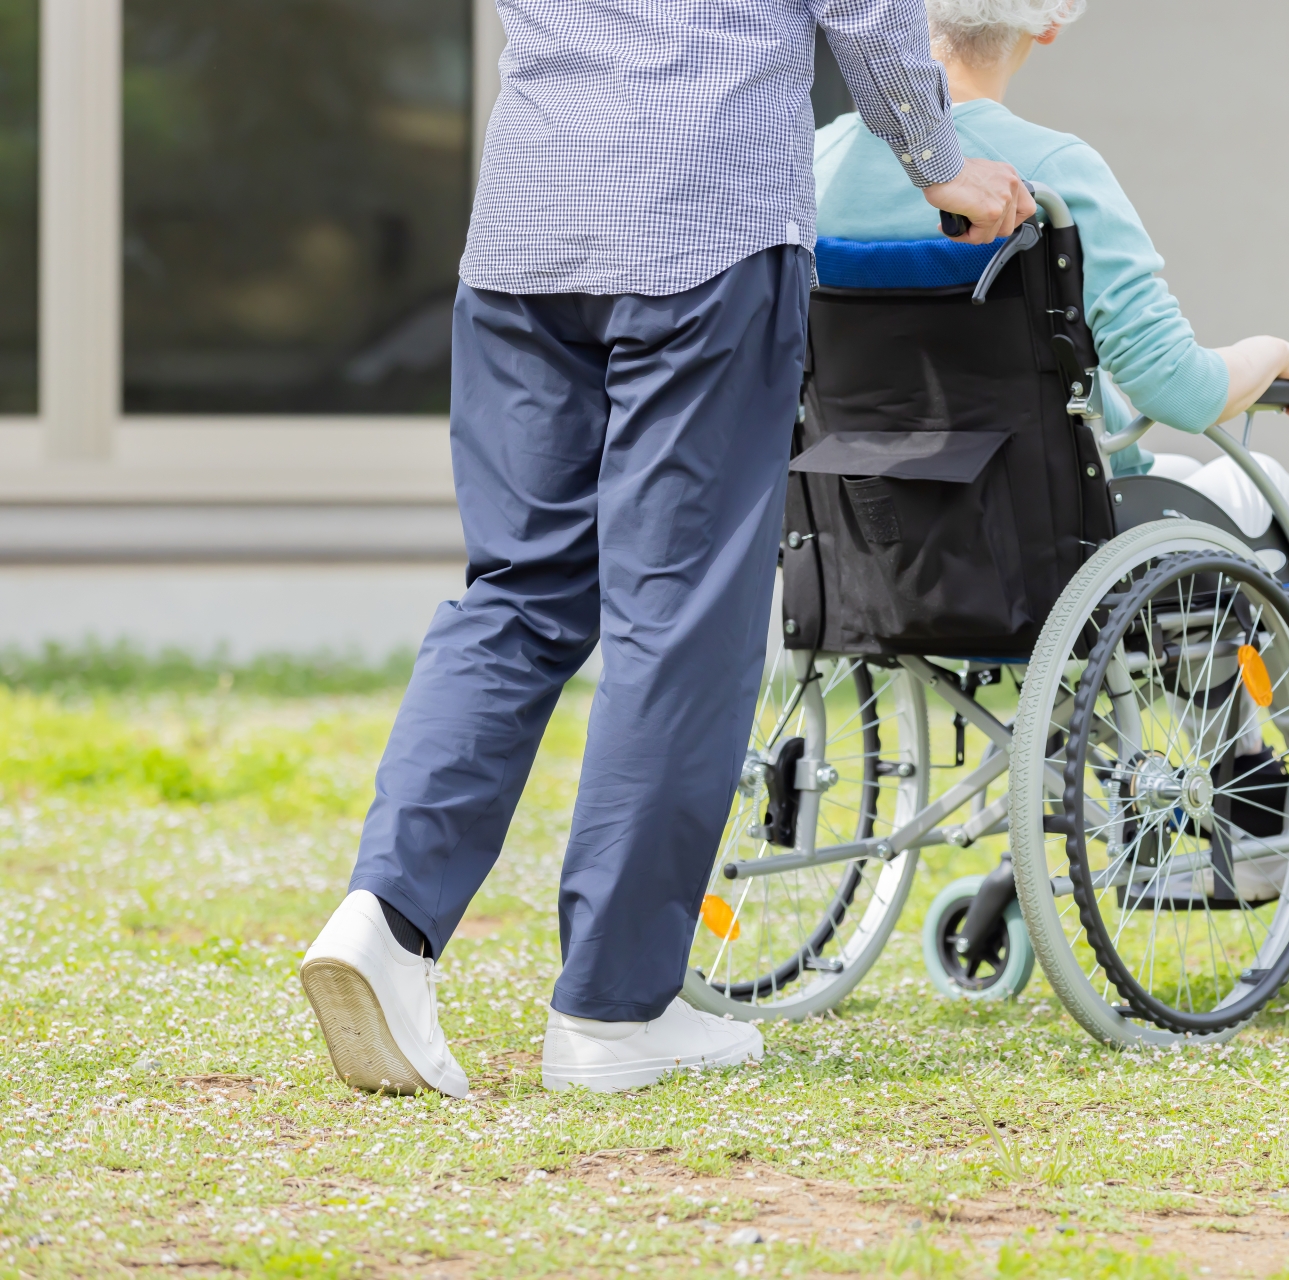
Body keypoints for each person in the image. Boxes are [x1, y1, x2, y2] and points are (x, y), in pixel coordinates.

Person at [297, 0, 1037, 1099]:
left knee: (515, 591)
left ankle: (386, 919)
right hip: (703, 223)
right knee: (679, 618)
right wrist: (941, 162)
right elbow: (871, 12)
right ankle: (614, 1007)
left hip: (527, 224)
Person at [813, 0, 1289, 587]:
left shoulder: (817, 167)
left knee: (1184, 472)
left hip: (876, 517)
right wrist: (1277, 354)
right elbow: (1181, 391)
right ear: (1050, 23)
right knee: (1263, 483)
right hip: (1051, 524)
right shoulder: (1055, 170)